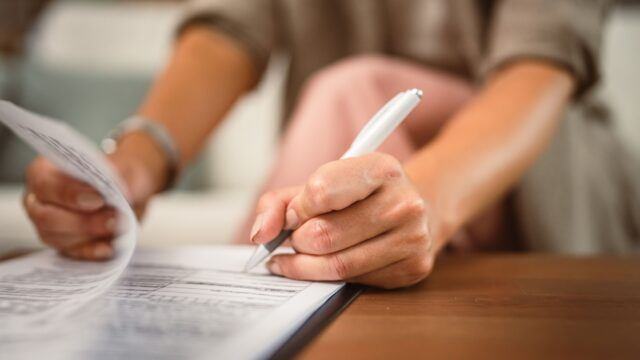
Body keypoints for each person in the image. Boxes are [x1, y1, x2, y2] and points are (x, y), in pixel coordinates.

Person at [22, 1, 639, 288]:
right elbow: (229, 27)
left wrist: (421, 198)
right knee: (346, 96)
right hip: (345, 163)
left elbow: (538, 71)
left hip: (527, 179)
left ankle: (242, 312)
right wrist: (136, 161)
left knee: (350, 89)